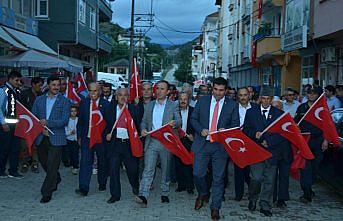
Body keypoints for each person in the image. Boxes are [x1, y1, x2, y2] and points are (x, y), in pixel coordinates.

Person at [191, 77, 239, 220]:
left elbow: (236, 124)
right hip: (203, 144)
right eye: (216, 89)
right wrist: (201, 130)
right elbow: (193, 119)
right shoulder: (203, 101)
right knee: (198, 173)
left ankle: (215, 207)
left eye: (221, 90)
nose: (218, 93)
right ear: (212, 88)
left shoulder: (232, 105)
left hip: (220, 147)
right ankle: (203, 192)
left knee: (218, 179)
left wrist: (226, 130)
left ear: (226, 90)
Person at [243, 85, 290, 217]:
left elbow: (282, 134)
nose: (266, 101)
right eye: (263, 98)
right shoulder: (251, 112)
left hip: (272, 152)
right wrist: (254, 134)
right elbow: (246, 130)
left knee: (269, 180)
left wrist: (269, 141)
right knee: (256, 179)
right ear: (259, 99)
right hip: (257, 151)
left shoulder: (279, 114)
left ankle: (265, 205)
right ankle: (253, 198)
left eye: (268, 98)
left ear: (271, 99)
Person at [135, 80, 182, 206]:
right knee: (148, 168)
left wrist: (175, 123)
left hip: (166, 142)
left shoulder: (173, 105)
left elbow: (179, 120)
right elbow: (144, 121)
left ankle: (165, 192)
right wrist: (143, 129)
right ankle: (143, 194)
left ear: (167, 92)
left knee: (166, 169)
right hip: (152, 141)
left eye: (162, 89)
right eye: (157, 88)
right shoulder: (150, 105)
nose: (159, 91)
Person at [32, 75, 71, 203]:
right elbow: (33, 117)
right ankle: (56, 177)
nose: (56, 87)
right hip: (41, 137)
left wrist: (48, 123)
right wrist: (40, 127)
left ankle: (46, 193)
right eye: (53, 85)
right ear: (48, 85)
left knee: (52, 164)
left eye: (58, 85)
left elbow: (64, 121)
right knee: (44, 162)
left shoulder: (65, 101)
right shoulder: (39, 100)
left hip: (57, 138)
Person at [104, 88, 140, 204]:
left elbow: (138, 126)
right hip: (115, 144)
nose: (122, 97)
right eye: (120, 95)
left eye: (125, 95)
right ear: (116, 97)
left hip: (129, 144)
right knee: (113, 169)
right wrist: (106, 135)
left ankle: (135, 186)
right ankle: (115, 194)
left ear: (128, 97)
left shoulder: (134, 110)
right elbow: (104, 126)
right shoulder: (109, 109)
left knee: (132, 169)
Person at [294, 86, 328, 203]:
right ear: (306, 94)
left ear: (318, 95)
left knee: (315, 167)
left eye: (314, 93)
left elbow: (327, 126)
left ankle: (309, 185)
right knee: (305, 167)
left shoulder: (322, 108)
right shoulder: (301, 107)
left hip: (318, 141)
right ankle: (306, 192)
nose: (311, 95)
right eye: (309, 93)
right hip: (305, 141)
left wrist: (326, 140)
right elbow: (295, 124)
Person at [75, 82, 109, 196]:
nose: (93, 93)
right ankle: (83, 187)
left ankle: (102, 183)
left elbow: (109, 123)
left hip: (101, 139)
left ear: (99, 91)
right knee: (85, 162)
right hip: (87, 138)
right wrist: (79, 136)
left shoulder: (106, 104)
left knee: (102, 161)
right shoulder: (84, 103)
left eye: (95, 91)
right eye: (90, 90)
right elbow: (80, 122)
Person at [0, 71, 23, 179]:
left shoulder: (16, 91)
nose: (18, 82)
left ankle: (13, 170)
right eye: (16, 80)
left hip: (16, 125)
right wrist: (3, 123)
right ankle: (1, 170)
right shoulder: (3, 90)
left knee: (15, 148)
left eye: (19, 80)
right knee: (4, 149)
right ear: (10, 79)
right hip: (6, 125)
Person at [20, 77, 44, 173]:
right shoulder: (24, 94)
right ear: (33, 84)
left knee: (35, 144)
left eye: (41, 85)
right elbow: (21, 107)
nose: (40, 87)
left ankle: (35, 163)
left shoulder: (41, 95)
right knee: (24, 144)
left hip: (36, 124)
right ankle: (25, 163)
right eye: (39, 85)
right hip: (25, 123)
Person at [234, 87, 254, 201]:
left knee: (250, 170)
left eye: (245, 95)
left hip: (252, 143)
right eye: (240, 95)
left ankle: (252, 192)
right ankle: (239, 194)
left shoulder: (256, 108)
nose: (243, 97)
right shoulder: (233, 108)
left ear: (249, 95)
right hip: (238, 143)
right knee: (239, 169)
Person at [175, 92, 194, 194]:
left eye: (185, 99)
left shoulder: (193, 111)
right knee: (178, 163)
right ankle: (180, 185)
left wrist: (193, 136)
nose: (183, 101)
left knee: (188, 163)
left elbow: (196, 124)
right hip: (177, 140)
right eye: (181, 99)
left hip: (188, 140)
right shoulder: (174, 111)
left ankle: (190, 186)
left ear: (189, 100)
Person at [65, 105, 80, 175]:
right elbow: (65, 131)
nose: (73, 113)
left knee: (75, 153)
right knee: (70, 153)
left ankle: (75, 167)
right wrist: (70, 133)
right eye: (72, 111)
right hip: (69, 139)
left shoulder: (78, 119)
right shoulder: (67, 120)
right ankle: (72, 163)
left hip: (76, 140)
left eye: (75, 111)